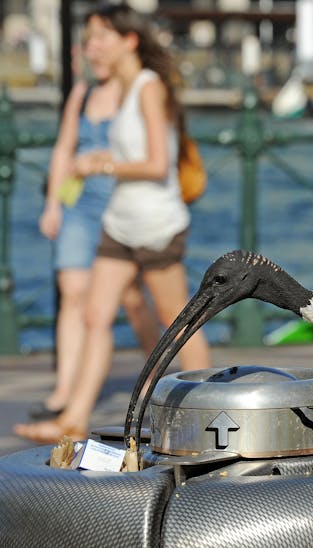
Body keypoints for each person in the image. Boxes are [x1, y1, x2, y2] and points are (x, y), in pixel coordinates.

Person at [15, 4, 211, 443]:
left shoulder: (147, 87)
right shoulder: (117, 89)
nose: (93, 45)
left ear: (129, 41)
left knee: (175, 318)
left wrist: (102, 165)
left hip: (156, 224)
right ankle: (72, 421)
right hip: (119, 223)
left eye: (102, 36)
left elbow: (158, 164)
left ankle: (206, 407)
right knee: (94, 314)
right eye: (90, 37)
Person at [29, 28, 161, 421]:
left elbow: (149, 148)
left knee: (133, 298)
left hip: (121, 201)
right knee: (74, 292)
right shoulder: (83, 94)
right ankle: (66, 392)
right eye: (89, 45)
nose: (93, 52)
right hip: (79, 201)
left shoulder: (135, 90)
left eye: (99, 43)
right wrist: (52, 205)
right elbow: (63, 149)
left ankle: (158, 375)